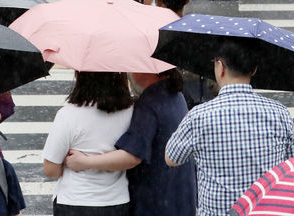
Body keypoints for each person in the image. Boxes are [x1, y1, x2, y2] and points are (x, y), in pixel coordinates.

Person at [165, 40, 294, 216]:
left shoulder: (199, 116)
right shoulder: (279, 113)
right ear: (254, 70)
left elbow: (171, 158)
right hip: (265, 211)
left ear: (220, 67)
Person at [64, 69, 197, 216]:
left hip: (156, 200)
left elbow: (131, 156)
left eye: (133, 68)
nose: (129, 74)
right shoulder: (176, 95)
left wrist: (84, 162)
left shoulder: (150, 103)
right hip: (179, 198)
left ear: (149, 70)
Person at [42, 72, 134, 216]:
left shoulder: (68, 115)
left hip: (74, 201)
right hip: (116, 202)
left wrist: (71, 163)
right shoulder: (131, 112)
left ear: (80, 77)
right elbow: (132, 156)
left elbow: (51, 169)